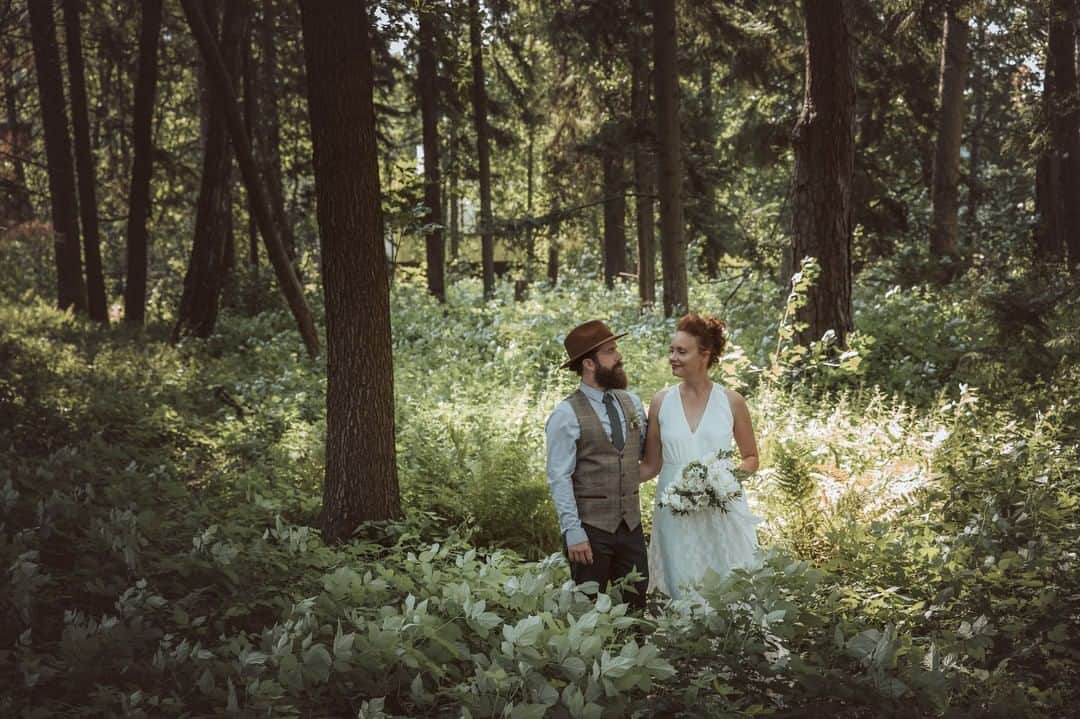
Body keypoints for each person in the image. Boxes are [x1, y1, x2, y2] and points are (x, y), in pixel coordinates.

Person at [640, 313, 762, 599]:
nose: (673, 357)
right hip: (673, 510)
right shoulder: (660, 402)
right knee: (680, 585)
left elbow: (751, 457)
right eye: (671, 350)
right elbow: (651, 465)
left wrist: (722, 483)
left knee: (727, 585)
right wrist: (609, 481)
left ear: (704, 354)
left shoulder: (731, 402)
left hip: (719, 510)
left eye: (681, 351)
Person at [545, 320, 649, 609]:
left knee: (636, 607)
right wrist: (573, 532)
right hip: (589, 532)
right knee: (587, 612)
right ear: (589, 363)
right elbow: (559, 478)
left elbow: (638, 457)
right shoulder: (565, 414)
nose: (619, 357)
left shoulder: (632, 403)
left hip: (632, 529)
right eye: (610, 351)